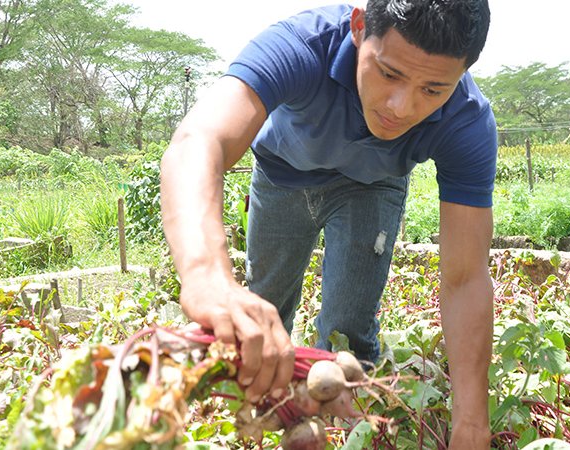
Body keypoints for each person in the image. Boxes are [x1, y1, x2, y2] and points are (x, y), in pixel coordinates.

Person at [160, 0, 496, 448]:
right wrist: (205, 274)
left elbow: (466, 277)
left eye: (433, 90)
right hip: (283, 174)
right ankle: (260, 417)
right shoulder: (303, 45)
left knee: (348, 327)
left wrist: (471, 423)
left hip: (372, 186)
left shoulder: (467, 120)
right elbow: (198, 140)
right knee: (264, 303)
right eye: (389, 73)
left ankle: (348, 429)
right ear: (359, 27)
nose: (401, 106)